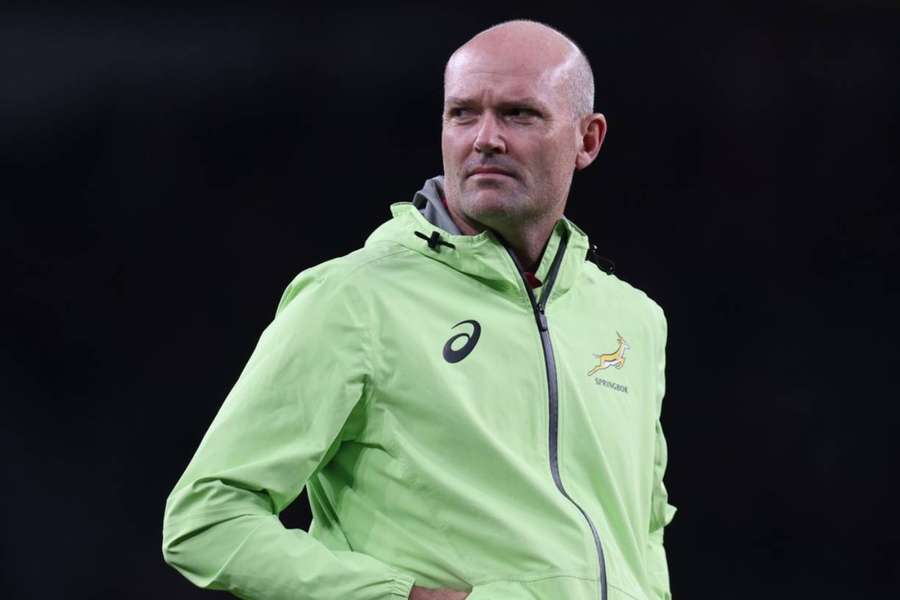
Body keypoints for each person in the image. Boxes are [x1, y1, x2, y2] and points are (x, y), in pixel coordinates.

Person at [163, 19, 676, 600]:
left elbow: (643, 529)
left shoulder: (631, 319)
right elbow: (207, 517)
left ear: (587, 139)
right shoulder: (356, 298)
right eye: (463, 113)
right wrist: (398, 597)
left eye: (518, 114)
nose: (485, 138)